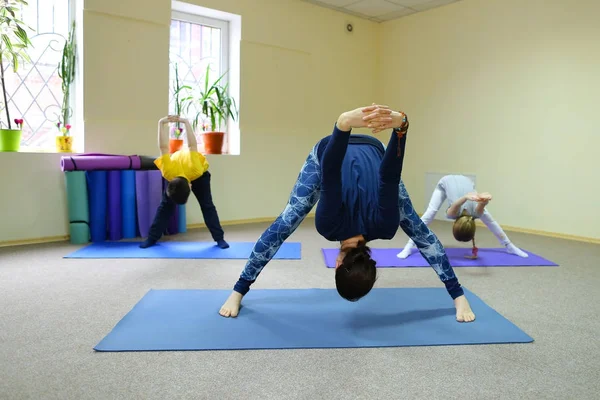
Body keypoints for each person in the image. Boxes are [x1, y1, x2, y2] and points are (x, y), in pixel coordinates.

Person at [219, 104, 476, 323]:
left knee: (419, 230)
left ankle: (459, 298)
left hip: (375, 149)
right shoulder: (329, 227)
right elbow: (330, 175)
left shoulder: (386, 227)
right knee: (283, 226)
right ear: (338, 264)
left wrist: (401, 129)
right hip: (343, 148)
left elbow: (389, 177)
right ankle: (237, 292)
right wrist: (341, 125)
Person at [139, 115, 229, 250]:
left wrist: (186, 122)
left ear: (190, 185)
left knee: (207, 205)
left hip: (199, 175)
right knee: (165, 207)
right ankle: (152, 238)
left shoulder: (196, 169)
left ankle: (219, 238)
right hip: (178, 173)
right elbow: (164, 147)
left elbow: (192, 145)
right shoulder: (168, 172)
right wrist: (160, 123)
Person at [396, 175, 528, 259]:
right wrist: (485, 198)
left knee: (489, 219)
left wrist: (480, 200)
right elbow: (461, 203)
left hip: (466, 184)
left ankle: (509, 246)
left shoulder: (457, 214)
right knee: (429, 214)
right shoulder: (462, 213)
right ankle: (408, 246)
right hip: (445, 182)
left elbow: (464, 204)